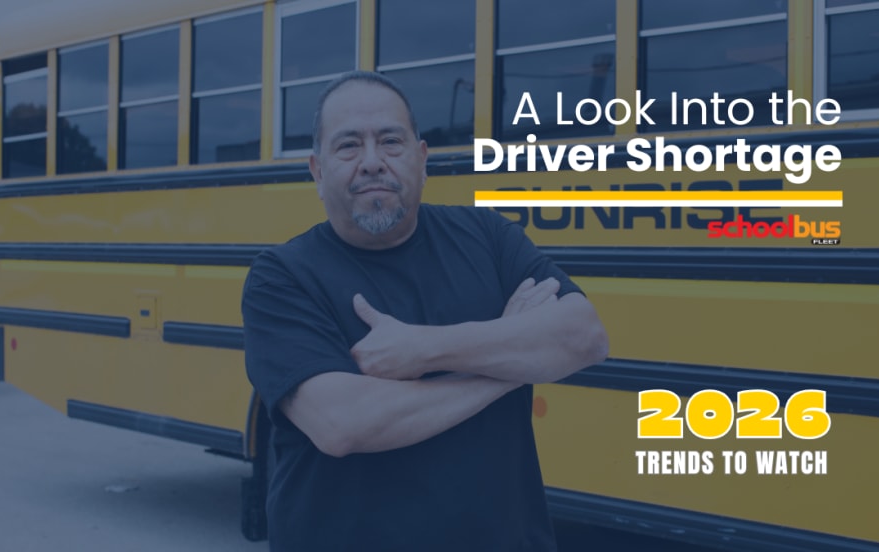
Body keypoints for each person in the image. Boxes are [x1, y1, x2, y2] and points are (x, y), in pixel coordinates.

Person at [242, 71, 609, 552]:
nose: (372, 162)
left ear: (421, 158)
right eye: (349, 146)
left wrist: (424, 348)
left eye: (390, 141)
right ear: (317, 170)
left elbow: (585, 337)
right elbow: (342, 424)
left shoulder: (487, 237)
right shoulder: (282, 276)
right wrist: (511, 365)